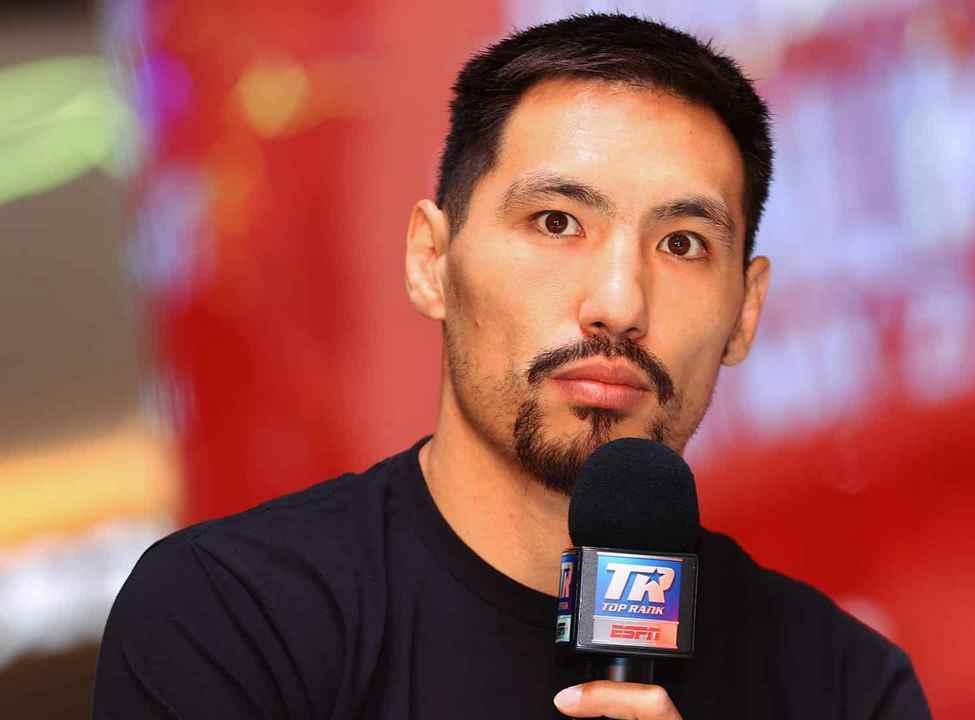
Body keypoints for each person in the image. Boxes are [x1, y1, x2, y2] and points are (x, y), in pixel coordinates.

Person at [93, 13, 931, 720]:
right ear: (432, 261)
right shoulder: (234, 615)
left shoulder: (845, 687)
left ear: (744, 312)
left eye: (682, 244)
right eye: (557, 222)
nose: (619, 302)